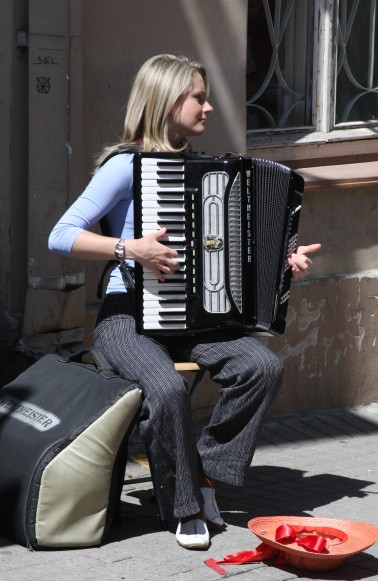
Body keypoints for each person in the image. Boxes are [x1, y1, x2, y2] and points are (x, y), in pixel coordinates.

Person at [49, 53, 321, 551]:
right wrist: (131, 248)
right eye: (199, 96)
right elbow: (60, 235)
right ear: (166, 100)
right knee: (167, 388)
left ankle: (205, 474)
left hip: (193, 317)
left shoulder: (207, 171)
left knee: (261, 367)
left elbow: (231, 250)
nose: (209, 107)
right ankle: (182, 505)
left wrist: (281, 262)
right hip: (126, 316)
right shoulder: (124, 166)